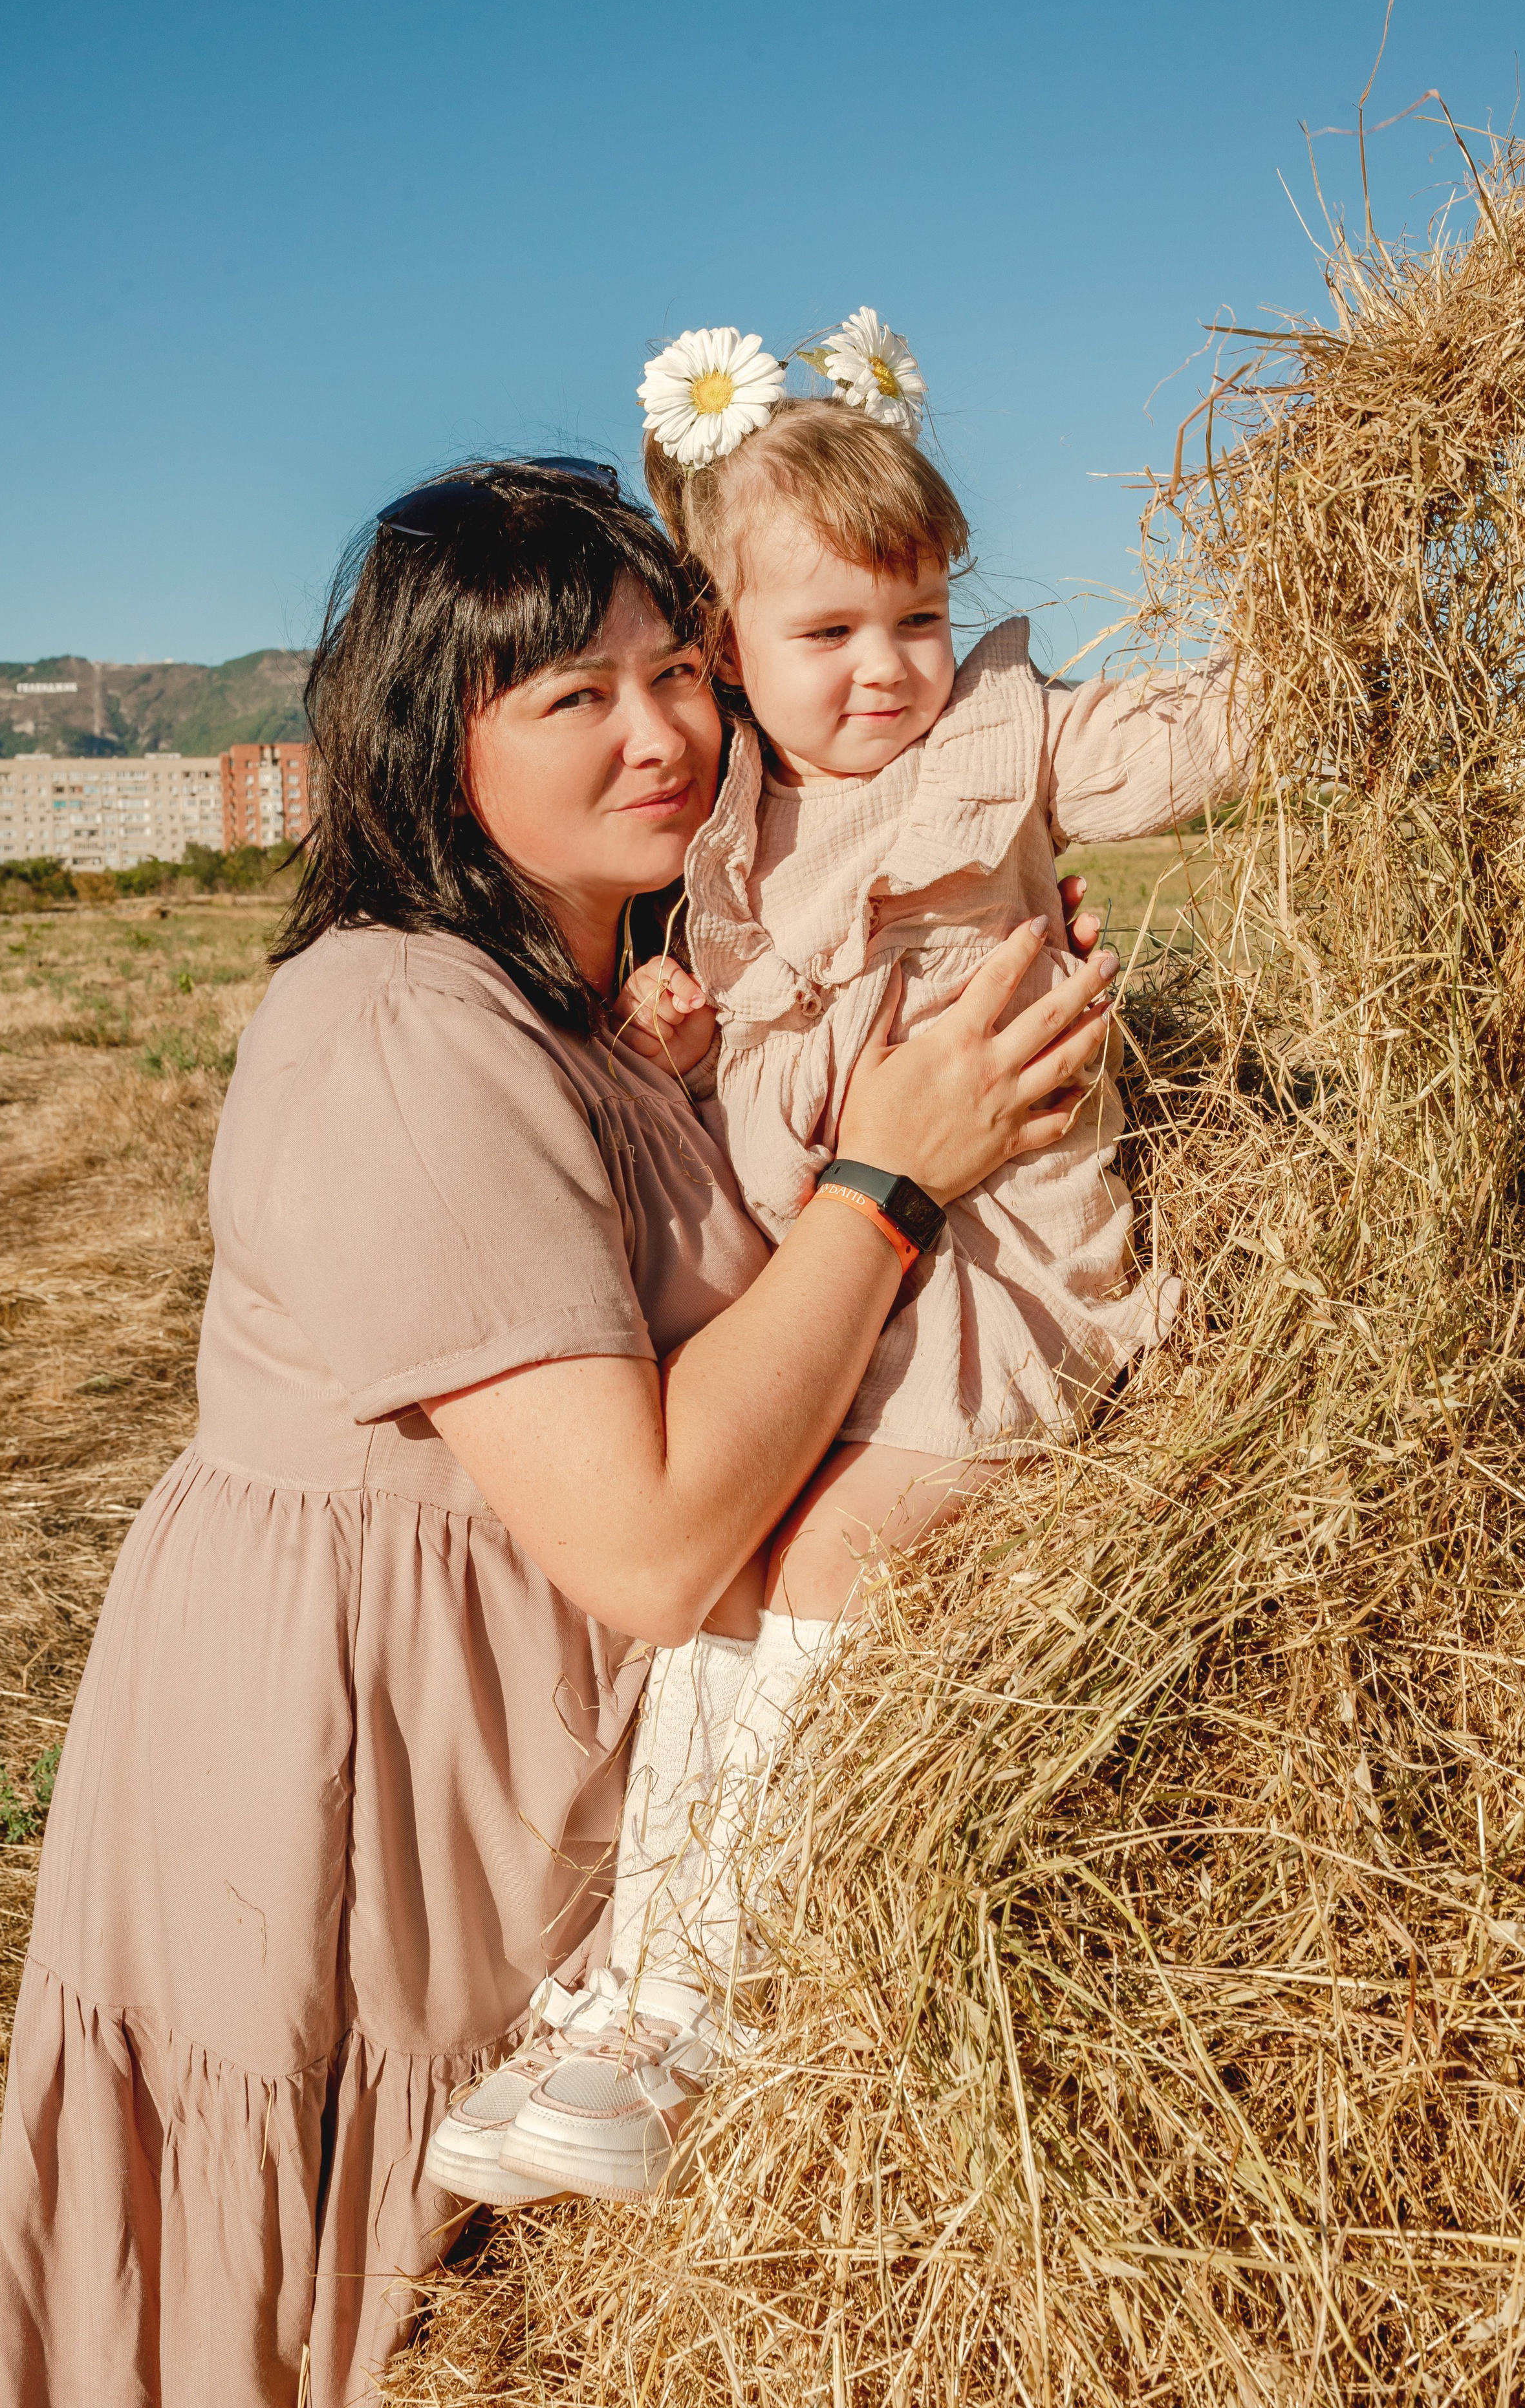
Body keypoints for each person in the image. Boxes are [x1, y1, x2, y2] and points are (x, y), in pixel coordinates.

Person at [0, 456, 1117, 2406]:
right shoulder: (401, 1034)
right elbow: (655, 1543)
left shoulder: (614, 1001)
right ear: (435, 745)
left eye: (679, 669)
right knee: (334, 2302)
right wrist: (893, 1180)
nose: (663, 731)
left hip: (522, 1762)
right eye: (571, 697)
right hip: (370, 1790)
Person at [438, 317, 1245, 2210]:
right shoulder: (713, 832)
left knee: (821, 1557)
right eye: (829, 635)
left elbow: (1191, 739)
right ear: (723, 643)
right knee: (710, 1565)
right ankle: (618, 1996)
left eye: (917, 615)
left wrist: (1332, 604)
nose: (888, 670)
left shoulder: (1005, 734)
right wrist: (678, 1027)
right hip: (829, 1287)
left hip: (1001, 1281)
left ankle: (698, 2007)